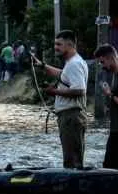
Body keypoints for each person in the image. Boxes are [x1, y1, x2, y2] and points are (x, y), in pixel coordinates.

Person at [32, 30, 89, 169]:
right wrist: (43, 66)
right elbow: (63, 75)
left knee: (72, 161)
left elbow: (80, 90)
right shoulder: (72, 63)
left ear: (70, 45)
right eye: (55, 44)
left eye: (59, 44)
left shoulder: (74, 64)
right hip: (69, 117)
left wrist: (54, 91)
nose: (55, 47)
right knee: (71, 158)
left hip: (71, 117)